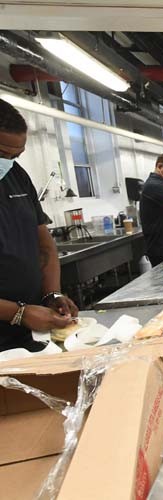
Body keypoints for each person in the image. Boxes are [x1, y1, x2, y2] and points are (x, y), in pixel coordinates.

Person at [0, 99, 79, 352]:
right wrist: (18, 313)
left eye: (16, 155)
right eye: (2, 154)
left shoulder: (17, 176)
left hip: (30, 332)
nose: (9, 161)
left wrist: (51, 294)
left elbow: (44, 245)